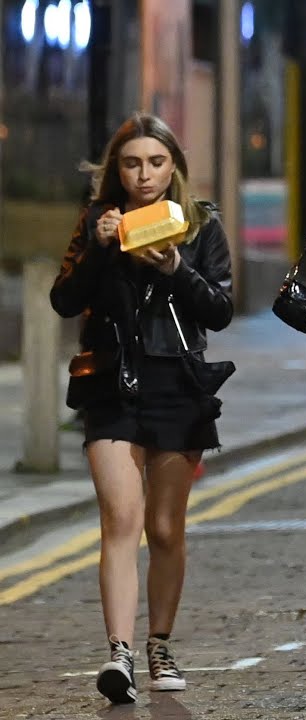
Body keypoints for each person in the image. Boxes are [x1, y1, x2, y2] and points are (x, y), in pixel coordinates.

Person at [50, 113, 234, 704]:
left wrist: (177, 269)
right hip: (110, 383)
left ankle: (159, 641)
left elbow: (220, 309)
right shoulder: (98, 223)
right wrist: (102, 249)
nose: (144, 175)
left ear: (174, 166)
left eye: (156, 163)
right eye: (132, 164)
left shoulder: (201, 224)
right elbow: (64, 299)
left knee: (164, 527)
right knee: (120, 522)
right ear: (116, 171)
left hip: (177, 386)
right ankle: (119, 654)